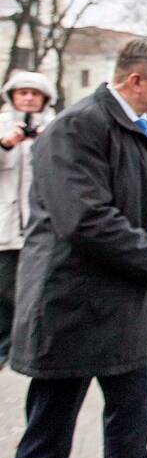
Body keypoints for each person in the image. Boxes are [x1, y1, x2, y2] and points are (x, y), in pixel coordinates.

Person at [10, 38, 147, 458]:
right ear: (135, 80)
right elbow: (85, 220)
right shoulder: (77, 127)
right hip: (70, 310)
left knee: (131, 430)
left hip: (126, 308)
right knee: (49, 434)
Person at [0, 72, 55, 369]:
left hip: (41, 225)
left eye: (35, 94)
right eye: (23, 93)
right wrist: (5, 144)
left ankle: (29, 341)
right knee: (4, 287)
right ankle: (4, 342)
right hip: (5, 223)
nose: (29, 98)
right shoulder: (1, 125)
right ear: (12, 96)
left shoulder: (56, 127)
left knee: (36, 288)